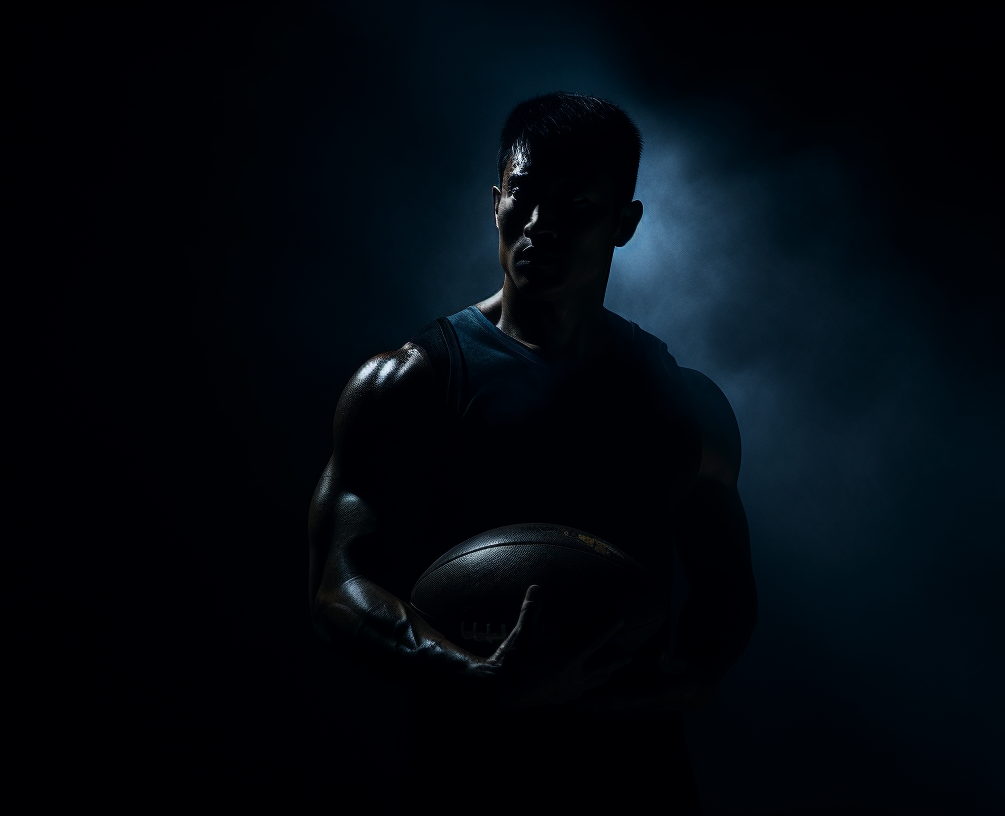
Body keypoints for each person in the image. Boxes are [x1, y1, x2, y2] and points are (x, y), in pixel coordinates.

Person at [307, 92, 756, 809]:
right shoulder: (408, 384)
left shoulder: (687, 405)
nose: (541, 225)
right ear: (496, 202)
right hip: (464, 776)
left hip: (633, 780)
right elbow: (338, 584)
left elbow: (728, 591)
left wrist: (697, 668)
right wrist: (466, 670)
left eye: (576, 203)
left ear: (625, 223)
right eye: (524, 195)